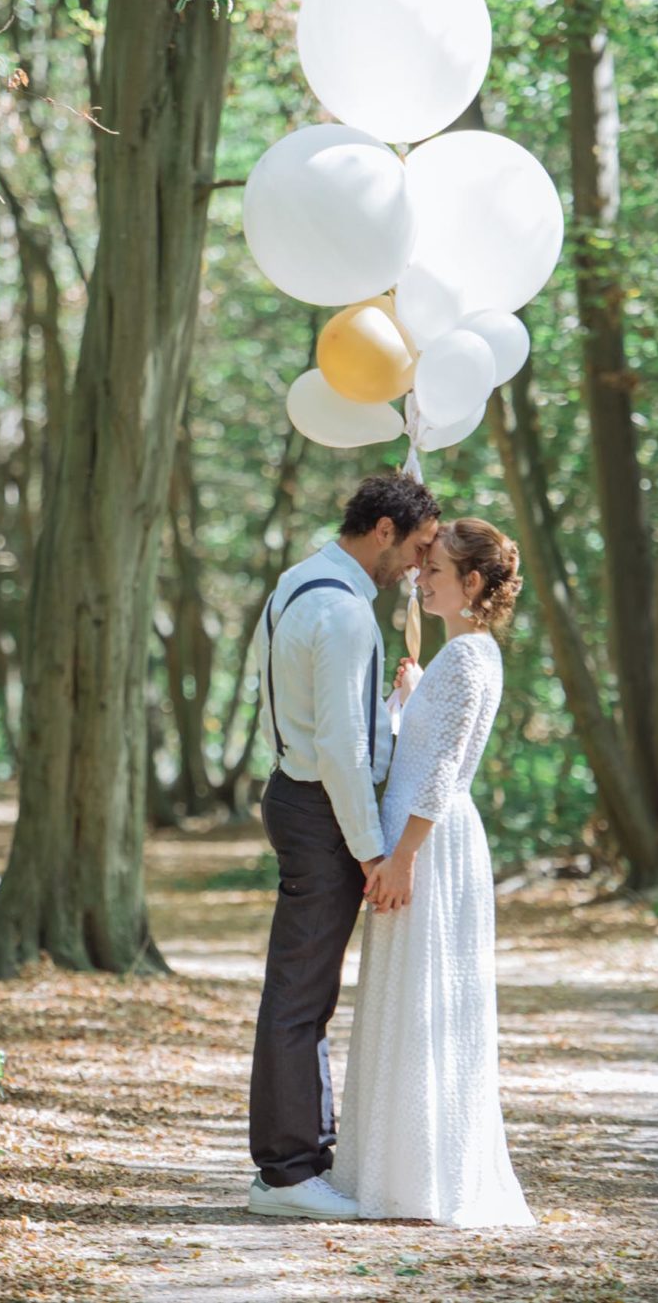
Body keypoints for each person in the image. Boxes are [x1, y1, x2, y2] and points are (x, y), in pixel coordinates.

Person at [330, 518, 535, 1226]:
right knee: (409, 996)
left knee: (424, 999)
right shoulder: (461, 658)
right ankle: (402, 1168)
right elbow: (428, 742)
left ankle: (419, 1179)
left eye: (437, 572)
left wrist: (403, 857)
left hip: (430, 844)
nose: (421, 577)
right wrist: (413, 694)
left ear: (472, 583)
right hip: (426, 835)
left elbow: (443, 769)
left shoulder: (469, 659)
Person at [248, 472, 441, 1220]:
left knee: (301, 990)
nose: (421, 568)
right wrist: (369, 851)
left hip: (297, 795)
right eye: (420, 548)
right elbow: (338, 749)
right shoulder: (347, 613)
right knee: (301, 995)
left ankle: (295, 1159)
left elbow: (329, 721)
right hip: (320, 810)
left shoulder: (300, 582)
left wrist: (390, 709)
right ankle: (289, 1172)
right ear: (386, 531)